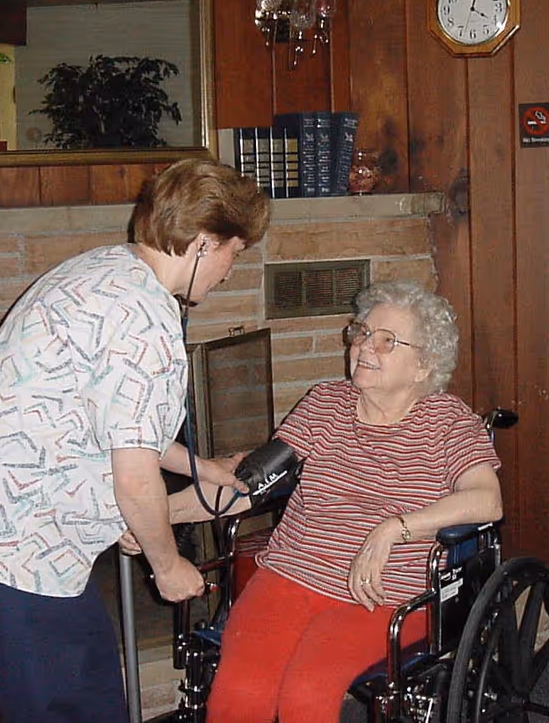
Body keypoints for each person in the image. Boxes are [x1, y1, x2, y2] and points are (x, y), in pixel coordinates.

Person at [0, 158, 270, 723]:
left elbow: (120, 427)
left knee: (80, 690)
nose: (230, 270)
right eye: (235, 252)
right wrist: (168, 564)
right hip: (17, 544)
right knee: (77, 708)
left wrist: (205, 469)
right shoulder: (145, 322)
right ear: (205, 242)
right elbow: (134, 479)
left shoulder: (105, 269)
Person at [148, 280, 504, 723]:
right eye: (361, 332)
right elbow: (249, 485)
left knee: (305, 696)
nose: (364, 346)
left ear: (422, 365)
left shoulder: (447, 420)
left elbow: (487, 500)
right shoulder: (324, 403)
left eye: (386, 340)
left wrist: (395, 528)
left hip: (382, 596)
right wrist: (156, 515)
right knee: (237, 699)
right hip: (290, 575)